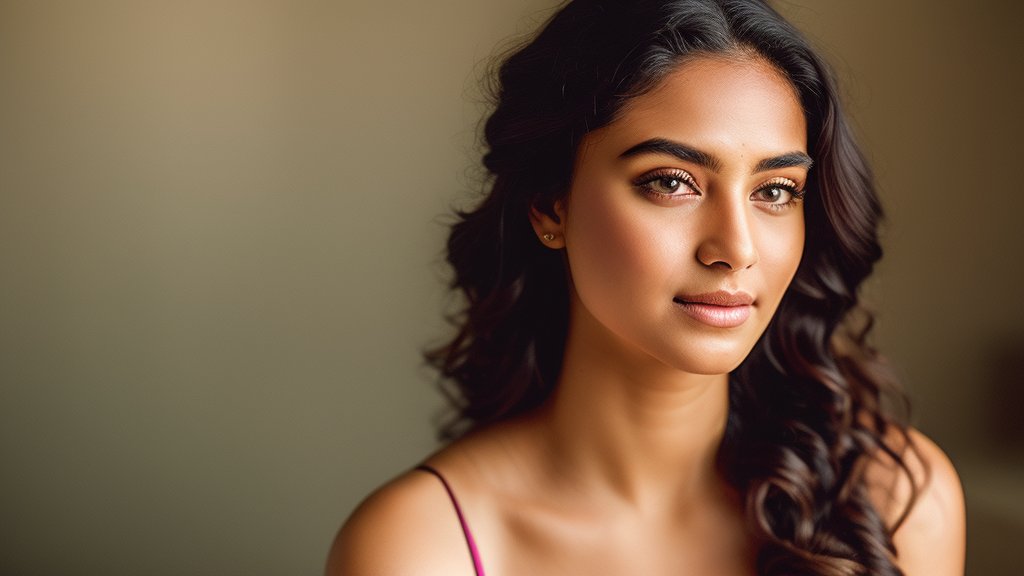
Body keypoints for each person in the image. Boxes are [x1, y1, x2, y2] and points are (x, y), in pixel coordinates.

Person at [327, 1, 966, 574]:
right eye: (672, 181)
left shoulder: (897, 500)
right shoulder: (418, 549)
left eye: (774, 192)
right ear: (551, 204)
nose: (736, 249)